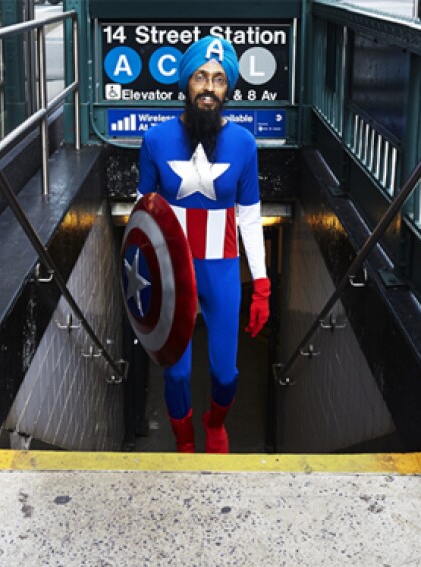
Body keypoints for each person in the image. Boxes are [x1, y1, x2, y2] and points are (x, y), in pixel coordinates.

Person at [136, 36, 270, 454]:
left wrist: (261, 284)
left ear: (228, 88)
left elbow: (249, 216)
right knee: (175, 374)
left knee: (226, 373)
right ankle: (182, 438)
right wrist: (140, 278)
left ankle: (215, 423)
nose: (208, 87)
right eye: (200, 77)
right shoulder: (156, 140)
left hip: (222, 266)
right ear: (187, 84)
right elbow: (141, 213)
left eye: (218, 79)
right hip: (171, 270)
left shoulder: (244, 144)